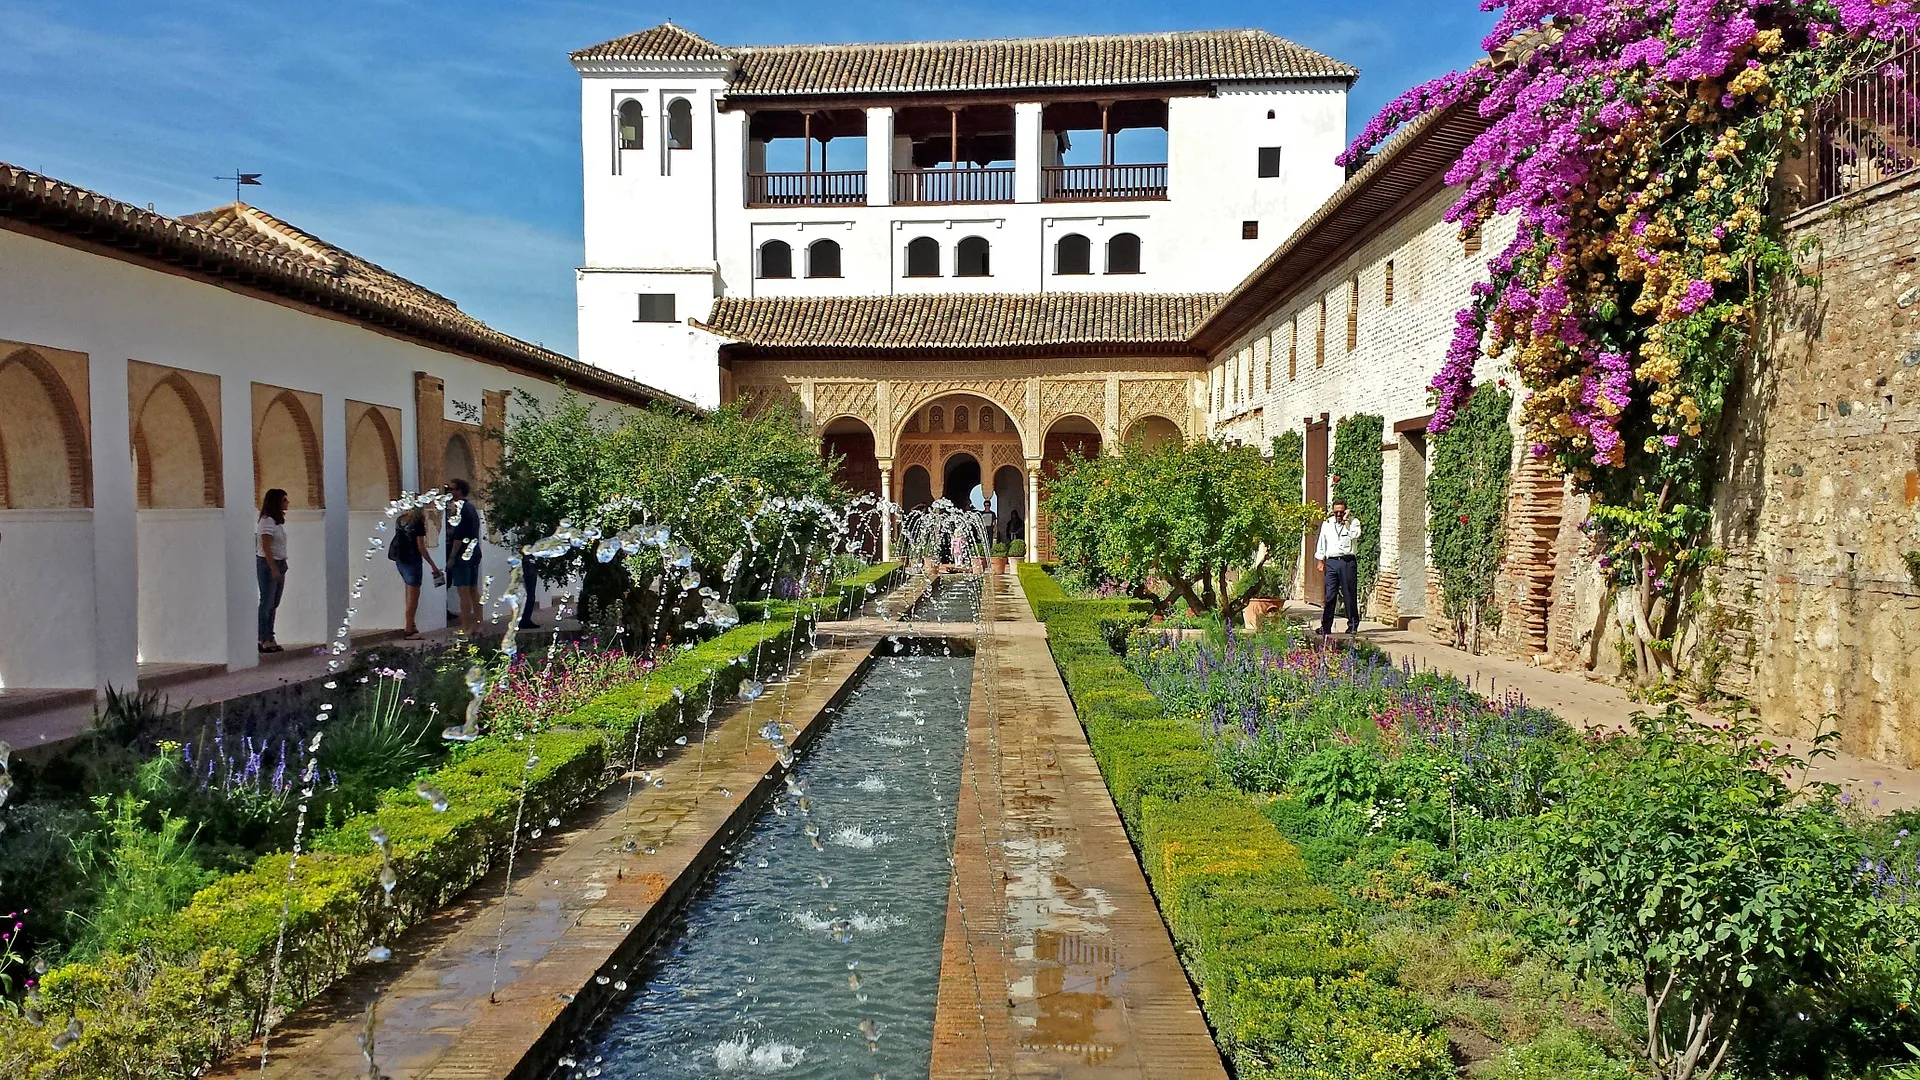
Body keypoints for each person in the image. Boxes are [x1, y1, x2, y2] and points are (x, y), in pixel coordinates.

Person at [389, 506, 443, 639]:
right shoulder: (417, 522)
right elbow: (421, 547)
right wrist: (433, 566)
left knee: (408, 592)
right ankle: (408, 630)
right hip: (413, 561)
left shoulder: (400, 520)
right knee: (413, 597)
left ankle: (411, 624)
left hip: (400, 560)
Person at [1315, 499, 1364, 636]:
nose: (1338, 515)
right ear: (1332, 511)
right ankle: (1326, 627)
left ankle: (1352, 625)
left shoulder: (1354, 523)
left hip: (1347, 561)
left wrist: (1347, 521)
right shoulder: (1327, 523)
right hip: (1331, 562)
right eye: (1336, 512)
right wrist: (1320, 559)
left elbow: (1355, 535)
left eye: (1341, 512)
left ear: (1346, 511)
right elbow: (1322, 541)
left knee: (1349, 594)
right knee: (1330, 595)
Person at [444, 478, 483, 634]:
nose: (450, 492)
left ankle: (465, 627)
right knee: (474, 590)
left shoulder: (460, 509)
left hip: (463, 556)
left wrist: (452, 557)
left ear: (459, 491)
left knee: (463, 592)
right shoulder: (471, 508)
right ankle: (479, 626)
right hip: (474, 553)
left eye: (452, 489)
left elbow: (458, 537)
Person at [256, 488, 289, 653]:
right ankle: (262, 638)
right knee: (267, 602)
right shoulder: (267, 521)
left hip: (280, 563)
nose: (287, 503)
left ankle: (270, 636)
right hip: (269, 564)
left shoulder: (277, 522)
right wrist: (273, 568)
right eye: (284, 500)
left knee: (274, 602)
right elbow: (266, 546)